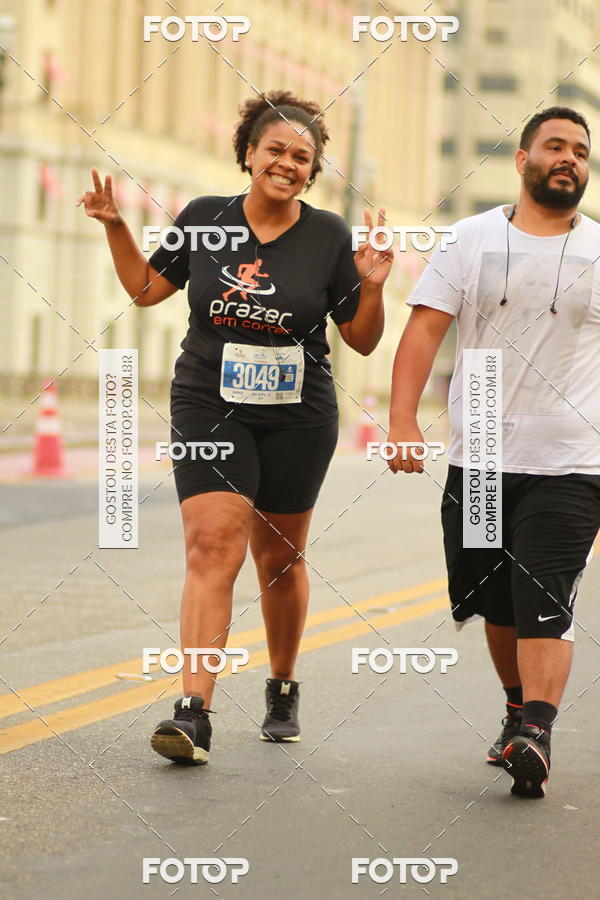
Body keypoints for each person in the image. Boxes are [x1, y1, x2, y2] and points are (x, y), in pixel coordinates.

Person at [77, 89, 393, 765]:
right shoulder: (204, 219)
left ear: (312, 171)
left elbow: (362, 342)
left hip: (297, 412)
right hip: (208, 398)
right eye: (275, 149)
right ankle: (194, 713)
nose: (286, 163)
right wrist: (113, 225)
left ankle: (281, 684)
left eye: (301, 157)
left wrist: (372, 285)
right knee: (213, 541)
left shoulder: (330, 235)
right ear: (249, 154)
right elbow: (145, 290)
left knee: (278, 559)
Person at [387, 106, 600, 798]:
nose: (569, 159)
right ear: (523, 158)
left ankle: (535, 730)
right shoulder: (471, 238)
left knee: (545, 595)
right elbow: (424, 331)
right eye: (556, 146)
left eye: (581, 151)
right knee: (496, 600)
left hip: (572, 461)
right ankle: (516, 706)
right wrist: (402, 422)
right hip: (479, 460)